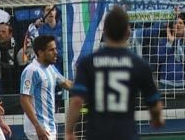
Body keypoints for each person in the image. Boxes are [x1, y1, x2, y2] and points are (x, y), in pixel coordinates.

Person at [65, 7, 164, 140]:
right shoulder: (140, 65)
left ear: (104, 31)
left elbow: (77, 101)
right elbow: (154, 104)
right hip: (126, 135)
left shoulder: (88, 63)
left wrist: (69, 131)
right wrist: (156, 119)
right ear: (128, 31)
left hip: (97, 135)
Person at [20, 35, 73, 140]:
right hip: (39, 128)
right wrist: (37, 126)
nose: (56, 52)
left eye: (55, 49)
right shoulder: (31, 70)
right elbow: (24, 100)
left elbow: (67, 84)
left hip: (50, 127)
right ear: (40, 52)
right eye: (51, 50)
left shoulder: (51, 68)